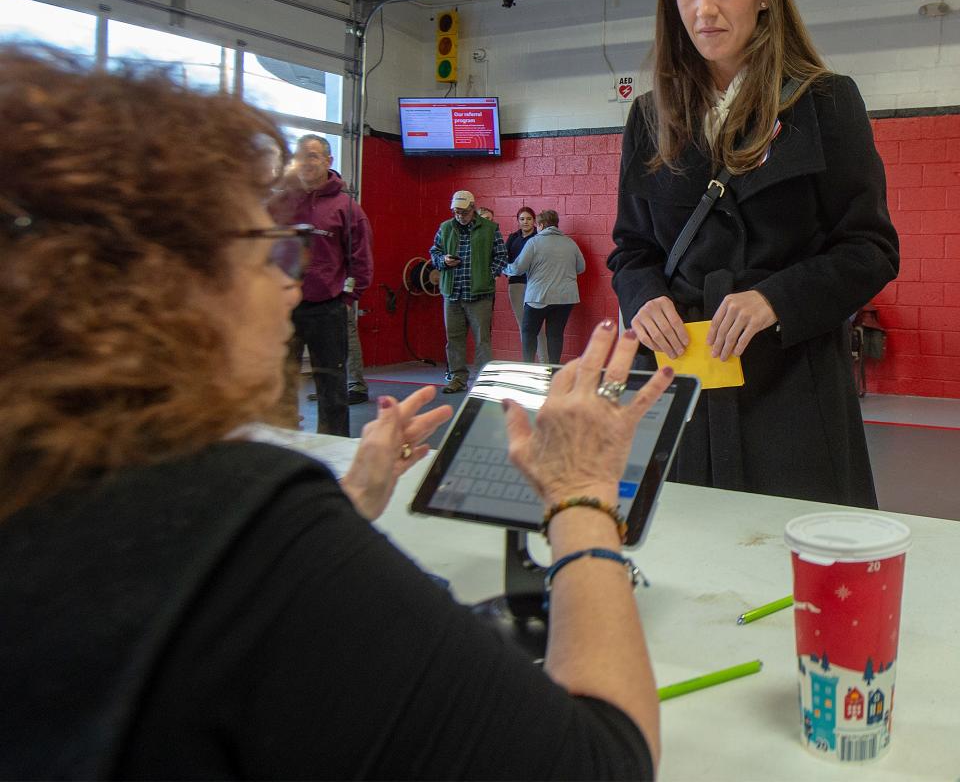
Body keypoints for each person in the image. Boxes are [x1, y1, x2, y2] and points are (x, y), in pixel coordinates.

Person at [0, 45, 671, 779]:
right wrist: (581, 496)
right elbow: (600, 766)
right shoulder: (244, 531)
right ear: (171, 293)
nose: (290, 287)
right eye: (266, 254)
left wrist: (349, 500)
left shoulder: (54, 488)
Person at [607, 0, 899, 507]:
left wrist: (774, 299)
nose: (703, 8)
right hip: (683, 384)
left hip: (793, 392)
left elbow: (871, 250)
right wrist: (643, 297)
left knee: (790, 573)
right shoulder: (648, 118)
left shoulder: (825, 103)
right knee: (690, 563)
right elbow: (631, 249)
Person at [268, 134, 372, 435]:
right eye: (301, 156)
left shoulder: (347, 208)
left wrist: (347, 297)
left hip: (328, 309)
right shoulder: (280, 204)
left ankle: (334, 446)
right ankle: (284, 447)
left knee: (332, 386)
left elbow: (360, 260)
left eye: (313, 156)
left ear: (328, 161)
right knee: (280, 383)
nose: (306, 162)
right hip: (285, 308)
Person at [429, 189, 507, 393]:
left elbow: (501, 255)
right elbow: (434, 251)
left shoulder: (490, 229)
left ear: (473, 208)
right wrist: (443, 261)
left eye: (463, 212)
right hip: (452, 293)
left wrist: (487, 275)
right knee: (454, 339)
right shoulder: (445, 228)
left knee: (482, 340)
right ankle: (457, 378)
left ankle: (484, 382)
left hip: (479, 294)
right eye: (456, 212)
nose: (459, 216)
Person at [505, 210, 585, 364]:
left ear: (540, 225)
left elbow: (518, 268)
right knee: (555, 335)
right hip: (565, 298)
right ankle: (553, 371)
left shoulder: (534, 242)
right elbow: (581, 267)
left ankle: (528, 368)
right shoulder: (570, 243)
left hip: (538, 297)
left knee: (528, 332)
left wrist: (503, 268)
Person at [505, 205, 548, 363]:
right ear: (518, 221)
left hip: (536, 286)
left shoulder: (540, 238)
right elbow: (504, 259)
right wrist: (507, 272)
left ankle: (544, 363)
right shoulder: (513, 238)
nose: (526, 222)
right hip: (516, 285)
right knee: (524, 326)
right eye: (522, 219)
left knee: (538, 328)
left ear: (535, 221)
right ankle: (528, 363)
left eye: (529, 219)